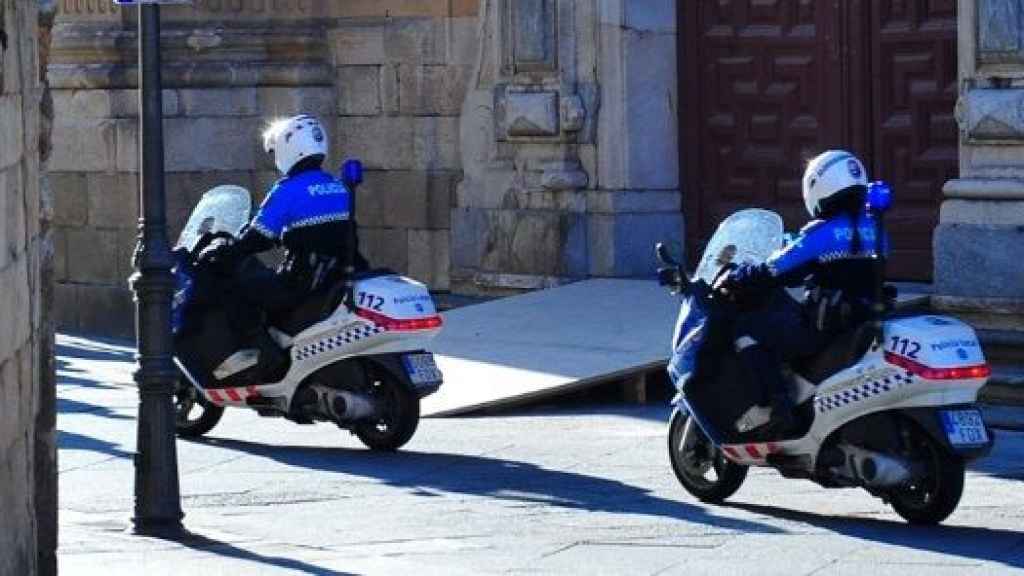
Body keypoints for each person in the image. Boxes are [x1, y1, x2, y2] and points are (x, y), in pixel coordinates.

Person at [713, 150, 887, 433]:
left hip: (822, 327)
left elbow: (776, 268)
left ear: (819, 188)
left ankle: (776, 405)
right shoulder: (876, 228)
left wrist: (740, 275)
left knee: (744, 327)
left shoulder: (822, 233)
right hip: (860, 319)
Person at [199, 114, 367, 379]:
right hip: (334, 275)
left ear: (288, 149)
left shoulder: (287, 190)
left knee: (235, 289)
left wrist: (228, 251)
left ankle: (264, 357)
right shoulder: (338, 186)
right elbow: (319, 233)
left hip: (301, 280)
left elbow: (259, 237)